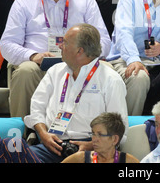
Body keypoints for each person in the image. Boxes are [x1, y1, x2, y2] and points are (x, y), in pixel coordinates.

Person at [0, 0, 110, 118]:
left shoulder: (85, 0)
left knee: (107, 68)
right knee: (25, 72)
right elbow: (6, 44)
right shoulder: (24, 1)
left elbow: (103, 41)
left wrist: (84, 57)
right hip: (38, 65)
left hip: (78, 64)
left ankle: (98, 135)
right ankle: (22, 134)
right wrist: (33, 56)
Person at [25, 23, 128, 163]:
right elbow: (37, 108)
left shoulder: (111, 80)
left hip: (91, 148)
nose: (60, 46)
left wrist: (91, 145)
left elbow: (120, 130)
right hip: (51, 144)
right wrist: (43, 134)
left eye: (65, 43)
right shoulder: (55, 71)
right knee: (22, 157)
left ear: (79, 51)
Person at [62, 112, 138, 163]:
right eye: (93, 134)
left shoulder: (129, 161)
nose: (94, 139)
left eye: (100, 135)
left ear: (114, 139)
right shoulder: (79, 158)